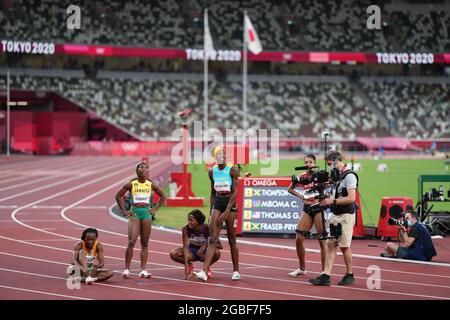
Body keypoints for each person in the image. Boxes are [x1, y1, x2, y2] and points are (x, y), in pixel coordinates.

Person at [310, 151, 358, 286]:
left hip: (346, 215)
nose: (330, 167)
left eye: (330, 164)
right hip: (335, 214)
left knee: (344, 246)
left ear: (337, 160)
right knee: (331, 245)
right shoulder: (337, 176)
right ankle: (326, 275)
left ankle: (350, 274)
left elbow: (351, 198)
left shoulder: (350, 176)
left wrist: (332, 201)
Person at [193, 146, 240, 282]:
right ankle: (204, 271)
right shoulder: (211, 172)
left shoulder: (232, 170)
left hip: (230, 204)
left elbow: (235, 192)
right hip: (218, 202)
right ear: (215, 157)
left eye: (224, 154)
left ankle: (236, 271)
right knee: (212, 239)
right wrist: (211, 211)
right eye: (219, 154)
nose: (222, 156)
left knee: (232, 239)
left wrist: (226, 211)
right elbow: (212, 193)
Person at [115, 162, 166, 279]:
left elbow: (163, 196)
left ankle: (143, 269)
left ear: (148, 172)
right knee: (131, 241)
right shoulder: (132, 184)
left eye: (146, 168)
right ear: (137, 171)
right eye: (141, 167)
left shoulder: (151, 184)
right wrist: (124, 210)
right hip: (135, 214)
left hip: (146, 214)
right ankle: (127, 269)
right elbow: (118, 196)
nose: (143, 169)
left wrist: (155, 209)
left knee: (144, 243)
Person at [288, 154, 328, 277]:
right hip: (307, 208)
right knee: (299, 239)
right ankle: (302, 268)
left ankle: (324, 271)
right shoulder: (302, 177)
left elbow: (331, 185)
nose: (308, 164)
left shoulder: (321, 175)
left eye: (310, 162)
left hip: (319, 208)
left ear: (315, 163)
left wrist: (324, 198)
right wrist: (301, 197)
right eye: (306, 162)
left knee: (322, 240)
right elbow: (290, 189)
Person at [169, 209, 221, 279]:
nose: (189, 222)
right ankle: (190, 266)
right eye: (188, 220)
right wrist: (186, 266)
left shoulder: (206, 228)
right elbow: (185, 247)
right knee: (173, 253)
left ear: (198, 221)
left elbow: (219, 245)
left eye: (191, 220)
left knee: (217, 252)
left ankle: (206, 268)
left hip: (205, 253)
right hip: (191, 251)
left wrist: (204, 246)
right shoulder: (186, 228)